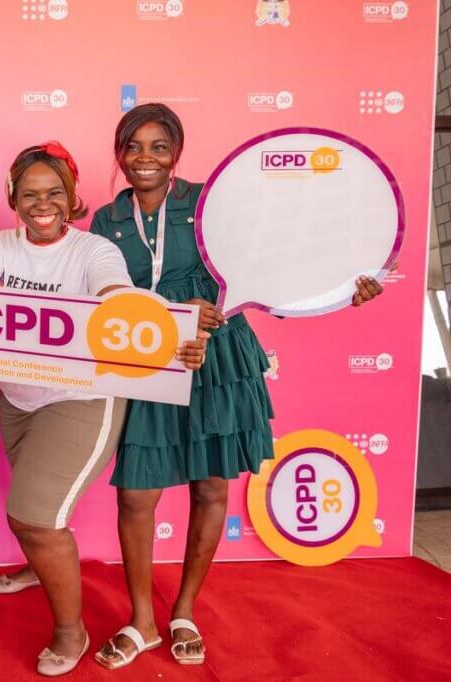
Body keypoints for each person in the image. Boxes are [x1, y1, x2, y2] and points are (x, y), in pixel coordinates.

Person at [85, 102, 385, 669]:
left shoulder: (208, 201)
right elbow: (103, 294)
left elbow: (279, 259)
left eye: (159, 146)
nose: (145, 158)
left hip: (218, 359)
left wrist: (348, 286)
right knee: (136, 496)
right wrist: (171, 310)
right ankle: (142, 621)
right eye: (133, 146)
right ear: (119, 153)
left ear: (177, 152)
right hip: (151, 357)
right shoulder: (106, 219)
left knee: (212, 490)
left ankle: (184, 612)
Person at [0, 142, 206, 676]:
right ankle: (44, 564)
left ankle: (69, 631)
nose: (42, 204)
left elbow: (119, 307)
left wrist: (174, 334)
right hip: (18, 398)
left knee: (31, 515)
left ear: (73, 196)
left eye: (54, 192)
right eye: (29, 194)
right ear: (13, 197)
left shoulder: (95, 251)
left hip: (82, 399)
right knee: (45, 517)